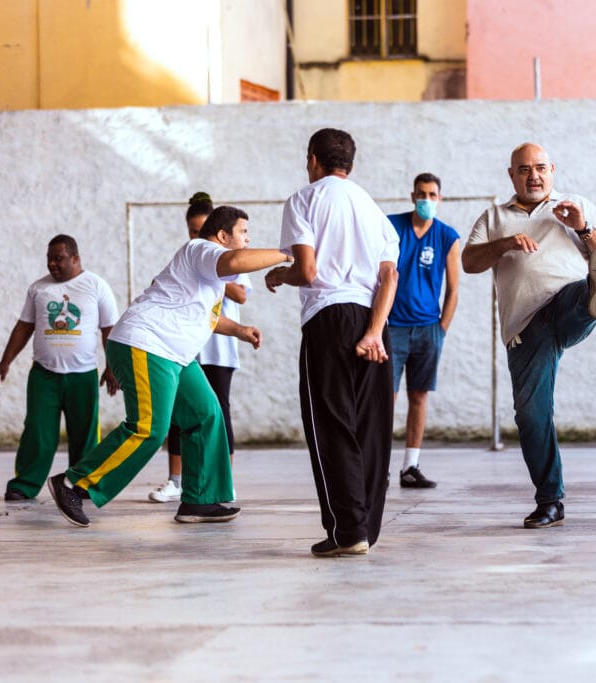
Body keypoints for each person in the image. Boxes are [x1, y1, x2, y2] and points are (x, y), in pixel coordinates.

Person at [46, 206, 290, 527]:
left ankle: (199, 501)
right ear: (222, 236)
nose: (248, 239)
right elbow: (234, 261)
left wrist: (240, 331)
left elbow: (205, 316)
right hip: (146, 344)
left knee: (206, 414)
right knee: (148, 428)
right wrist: (285, 253)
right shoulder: (202, 248)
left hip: (174, 353)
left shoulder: (208, 274)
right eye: (243, 233)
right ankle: (73, 484)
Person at [462, 142, 596, 528]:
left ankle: (593, 297)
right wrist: (505, 244)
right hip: (524, 326)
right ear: (511, 175)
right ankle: (550, 500)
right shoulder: (494, 216)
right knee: (532, 415)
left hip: (563, 304)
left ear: (553, 169)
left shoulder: (574, 205)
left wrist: (582, 228)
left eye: (540, 168)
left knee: (579, 293)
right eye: (523, 169)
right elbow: (468, 262)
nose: (533, 175)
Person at [265, 128, 399, 558]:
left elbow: (306, 271)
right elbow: (389, 277)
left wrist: (276, 274)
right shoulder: (372, 208)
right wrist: (375, 332)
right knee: (371, 430)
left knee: (331, 426)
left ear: (313, 160)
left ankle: (347, 531)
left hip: (329, 320)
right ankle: (365, 529)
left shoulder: (303, 200)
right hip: (374, 321)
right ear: (351, 166)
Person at [0, 235, 119, 501]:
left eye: (58, 258)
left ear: (75, 258)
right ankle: (24, 484)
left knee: (84, 432)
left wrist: (113, 367)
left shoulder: (96, 285)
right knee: (38, 431)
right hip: (44, 375)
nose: (52, 264)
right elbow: (24, 326)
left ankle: (81, 483)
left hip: (83, 375)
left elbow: (110, 329)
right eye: (49, 258)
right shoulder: (39, 288)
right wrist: (5, 361)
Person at [149, 193, 252, 503]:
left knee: (218, 411)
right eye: (192, 232)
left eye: (201, 230)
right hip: (186, 346)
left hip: (218, 349)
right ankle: (176, 480)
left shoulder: (232, 258)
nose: (196, 237)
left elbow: (241, 295)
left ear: (218, 232)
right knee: (179, 413)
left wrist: (214, 268)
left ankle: (225, 480)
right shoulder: (191, 255)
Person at [387, 172, 460, 489]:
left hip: (428, 329)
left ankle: (410, 466)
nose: (426, 200)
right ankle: (379, 467)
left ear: (439, 199)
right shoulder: (392, 226)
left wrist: (441, 329)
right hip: (392, 328)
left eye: (432, 195)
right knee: (384, 399)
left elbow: (454, 289)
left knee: (419, 396)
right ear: (412, 196)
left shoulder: (447, 236)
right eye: (421, 194)